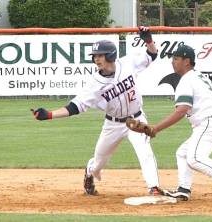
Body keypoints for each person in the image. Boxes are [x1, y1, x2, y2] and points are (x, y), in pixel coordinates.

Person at [31, 26, 163, 196]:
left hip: (137, 119)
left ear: (110, 55)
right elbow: (75, 107)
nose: (97, 59)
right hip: (113, 124)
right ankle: (90, 171)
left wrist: (149, 40)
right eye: (95, 56)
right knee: (99, 163)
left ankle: (153, 187)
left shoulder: (128, 63)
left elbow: (151, 55)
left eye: (100, 55)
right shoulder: (94, 83)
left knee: (144, 151)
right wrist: (49, 115)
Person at [149, 44, 212, 203]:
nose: (172, 62)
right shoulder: (200, 77)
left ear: (187, 61)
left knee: (194, 158)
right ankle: (183, 190)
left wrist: (156, 128)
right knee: (182, 153)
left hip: (208, 124)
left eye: (176, 58)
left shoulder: (186, 80)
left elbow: (182, 110)